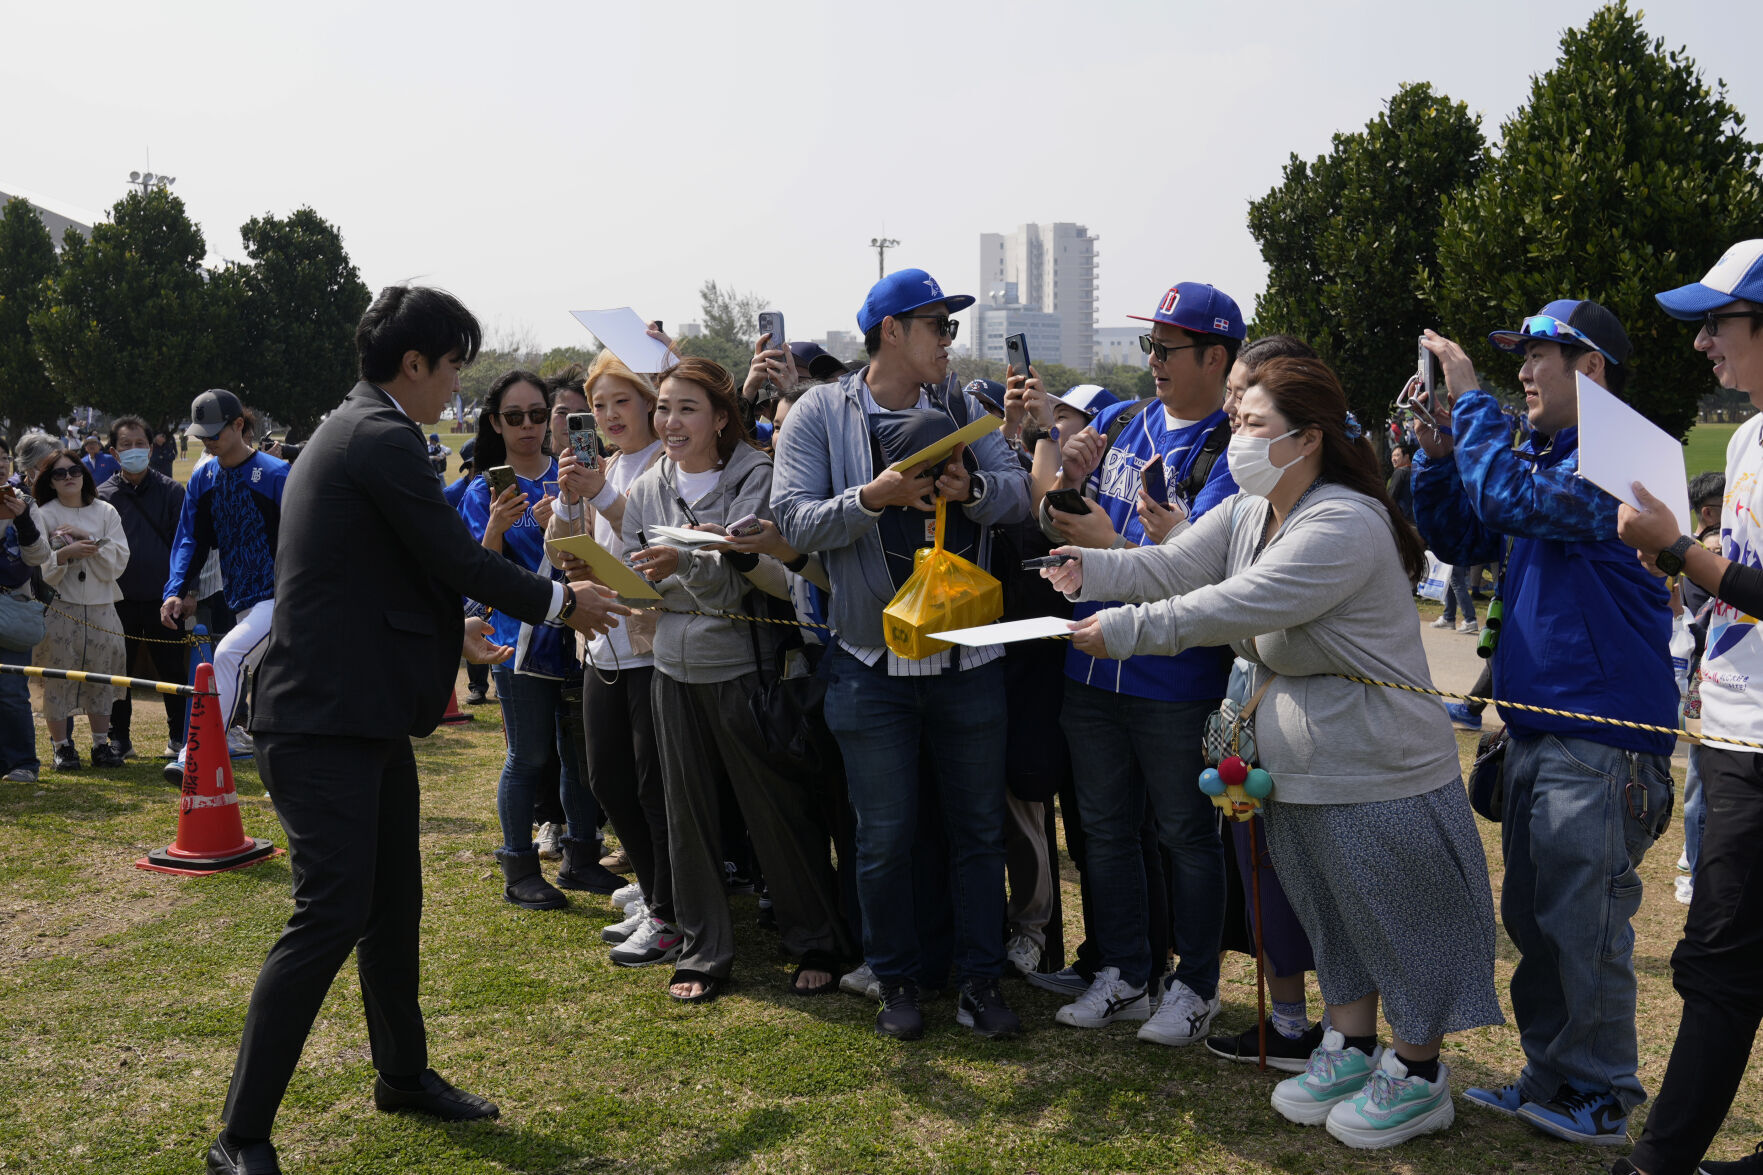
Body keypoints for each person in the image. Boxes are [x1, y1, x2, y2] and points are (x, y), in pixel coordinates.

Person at [207, 285, 628, 1175]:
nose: (456, 388)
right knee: (329, 914)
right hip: (322, 719)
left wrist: (455, 632)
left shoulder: (360, 428)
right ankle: (239, 1134)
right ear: (413, 365)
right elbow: (448, 552)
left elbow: (386, 568)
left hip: (355, 714)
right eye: (452, 369)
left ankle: (401, 1073)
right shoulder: (380, 434)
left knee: (391, 908)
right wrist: (560, 599)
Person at [1048, 355, 1502, 1149]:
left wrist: (1121, 630)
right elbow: (1166, 565)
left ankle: (1420, 1071)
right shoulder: (1252, 511)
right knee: (1335, 918)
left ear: (1307, 438)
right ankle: (1350, 1046)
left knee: (1400, 922)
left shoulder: (1342, 523)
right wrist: (1089, 569)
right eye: (1237, 421)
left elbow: (1231, 604)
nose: (1236, 436)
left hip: (1378, 772)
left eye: (1253, 423)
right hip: (1303, 772)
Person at [1410, 300, 1675, 1145]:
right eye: (1512, 359)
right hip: (1539, 729)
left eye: (1538, 356)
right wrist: (1435, 455)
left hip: (1600, 739)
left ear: (1590, 368)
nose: (1520, 371)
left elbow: (1502, 495)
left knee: (1581, 921)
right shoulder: (1547, 459)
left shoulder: (1626, 462)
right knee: (1533, 918)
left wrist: (1469, 398)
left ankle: (1598, 1090)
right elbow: (1460, 529)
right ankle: (1550, 1072)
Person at [772, 268, 1031, 1040]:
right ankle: (897, 982)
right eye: (937, 327)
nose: (949, 342)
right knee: (882, 837)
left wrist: (970, 487)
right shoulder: (820, 411)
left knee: (979, 830)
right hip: (867, 662)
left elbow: (1020, 501)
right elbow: (790, 519)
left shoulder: (969, 404)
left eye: (950, 329)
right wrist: (872, 498)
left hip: (968, 659)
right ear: (892, 331)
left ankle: (980, 982)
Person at [1033, 282, 1241, 1049]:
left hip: (1173, 675)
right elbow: (1053, 520)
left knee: (1187, 835)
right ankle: (1124, 968)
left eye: (1165, 348)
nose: (1149, 361)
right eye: (1147, 346)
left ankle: (1194, 986)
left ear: (1214, 356)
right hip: (1091, 664)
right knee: (1105, 829)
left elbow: (1202, 570)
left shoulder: (1231, 447)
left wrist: (1104, 542)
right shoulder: (1122, 419)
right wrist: (1064, 476)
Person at [621, 356, 849, 1002]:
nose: (669, 420)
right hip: (669, 667)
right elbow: (642, 580)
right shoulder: (647, 484)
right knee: (685, 816)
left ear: (722, 417)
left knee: (774, 811)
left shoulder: (757, 475)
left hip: (742, 666)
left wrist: (688, 557)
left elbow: (743, 573)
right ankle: (702, 949)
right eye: (663, 407)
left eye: (686, 408)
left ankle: (816, 940)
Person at [1609, 240, 1763, 1175]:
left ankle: (1658, 1163)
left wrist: (1682, 554)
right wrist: (1688, 552)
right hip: (1733, 729)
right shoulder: (1744, 436)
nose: (1703, 342)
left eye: (1719, 323)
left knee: (1712, 962)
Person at [458, 370, 606, 907]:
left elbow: (600, 550)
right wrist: (497, 526)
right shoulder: (482, 490)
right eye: (514, 417)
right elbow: (477, 574)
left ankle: (582, 857)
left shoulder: (572, 475)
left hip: (581, 631)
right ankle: (518, 868)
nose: (528, 426)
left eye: (539, 415)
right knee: (529, 756)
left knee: (581, 753)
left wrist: (567, 520)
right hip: (518, 644)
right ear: (495, 422)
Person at [546, 351, 674, 956]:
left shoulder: (666, 463)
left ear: (650, 401)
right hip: (603, 648)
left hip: (656, 647)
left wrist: (600, 495)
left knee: (655, 786)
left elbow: (655, 544)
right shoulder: (606, 465)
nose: (609, 415)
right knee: (608, 781)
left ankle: (669, 910)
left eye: (622, 400)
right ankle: (655, 893)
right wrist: (570, 499)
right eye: (598, 405)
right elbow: (562, 552)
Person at [161, 390, 288, 782]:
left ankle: (194, 752)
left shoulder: (275, 474)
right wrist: (175, 590)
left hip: (282, 597)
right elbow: (190, 539)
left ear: (239, 425)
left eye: (215, 432)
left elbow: (303, 541)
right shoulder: (204, 476)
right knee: (276, 687)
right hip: (242, 601)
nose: (208, 441)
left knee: (228, 655)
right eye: (202, 434)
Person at [98, 416, 189, 760]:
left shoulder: (171, 491)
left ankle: (179, 738)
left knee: (172, 671)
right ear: (113, 452)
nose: (134, 450)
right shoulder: (103, 496)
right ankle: (119, 738)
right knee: (119, 672)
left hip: (165, 600)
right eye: (126, 445)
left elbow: (186, 544)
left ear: (151, 448)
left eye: (140, 444)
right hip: (117, 600)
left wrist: (187, 591)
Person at [33, 450, 131, 770]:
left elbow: (119, 559)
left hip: (102, 604)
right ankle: (62, 746)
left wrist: (87, 539)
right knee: (57, 677)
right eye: (59, 474)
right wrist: (64, 554)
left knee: (102, 676)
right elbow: (36, 564)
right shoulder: (43, 514)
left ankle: (102, 744)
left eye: (74, 470)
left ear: (84, 473)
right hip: (60, 606)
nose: (69, 477)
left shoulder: (105, 511)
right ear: (50, 481)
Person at [0, 433, 56, 784]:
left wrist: (21, 520)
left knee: (10, 689)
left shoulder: (22, 501)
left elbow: (38, 557)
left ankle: (23, 763)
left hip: (12, 607)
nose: (0, 467)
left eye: (2, 461)